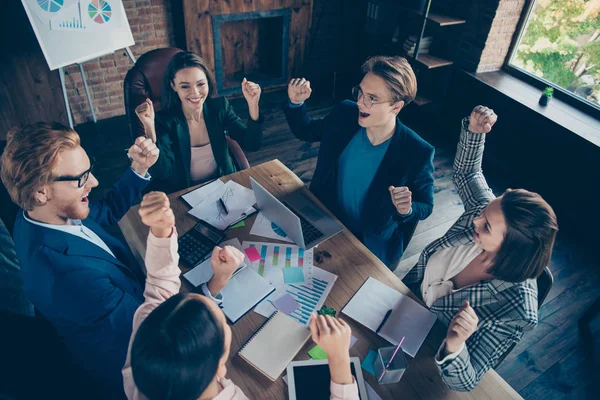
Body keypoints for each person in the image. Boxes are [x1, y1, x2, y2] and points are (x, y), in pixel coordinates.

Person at [122, 192, 361, 400]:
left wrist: (162, 230)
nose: (211, 299)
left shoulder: (142, 361)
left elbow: (159, 288)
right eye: (221, 319)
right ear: (220, 367)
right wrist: (339, 359)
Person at [403, 106, 559, 391]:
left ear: (511, 249)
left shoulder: (518, 312)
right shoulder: (484, 213)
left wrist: (455, 344)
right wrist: (474, 132)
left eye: (486, 226)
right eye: (485, 212)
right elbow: (467, 173)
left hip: (424, 358)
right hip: (401, 304)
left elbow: (467, 380)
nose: (476, 219)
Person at [0, 122, 159, 397]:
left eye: (90, 169)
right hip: (142, 366)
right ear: (41, 191)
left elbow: (105, 211)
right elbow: (153, 332)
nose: (94, 182)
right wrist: (211, 287)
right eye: (81, 178)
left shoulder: (36, 216)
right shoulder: (69, 277)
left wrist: (139, 168)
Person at [283, 56, 434, 269]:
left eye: (372, 98)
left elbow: (426, 206)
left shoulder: (417, 151)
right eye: (360, 92)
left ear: (396, 106)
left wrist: (406, 210)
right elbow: (306, 130)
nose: (361, 102)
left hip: (368, 243)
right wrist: (296, 103)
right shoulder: (346, 113)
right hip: (325, 218)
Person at [135, 51, 264, 193]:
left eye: (200, 84)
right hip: (185, 192)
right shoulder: (164, 120)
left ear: (208, 82)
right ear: (173, 85)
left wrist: (253, 105)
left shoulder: (219, 107)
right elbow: (162, 172)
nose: (195, 93)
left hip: (224, 185)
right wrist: (149, 128)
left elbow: (252, 144)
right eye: (185, 86)